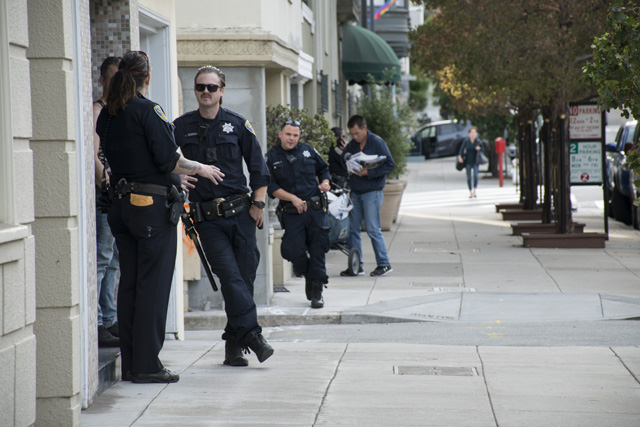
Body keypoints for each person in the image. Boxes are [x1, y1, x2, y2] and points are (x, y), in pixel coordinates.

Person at [97, 52, 224, 383]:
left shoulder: (108, 113)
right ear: (147, 78)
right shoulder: (147, 110)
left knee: (130, 285)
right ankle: (146, 366)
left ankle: (132, 363)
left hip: (121, 207)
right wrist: (201, 168)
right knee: (152, 286)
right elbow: (170, 161)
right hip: (150, 210)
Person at [173, 65, 274, 367]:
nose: (206, 92)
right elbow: (160, 157)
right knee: (230, 276)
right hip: (208, 220)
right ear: (195, 90)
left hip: (241, 213)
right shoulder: (180, 126)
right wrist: (174, 176)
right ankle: (253, 336)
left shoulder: (237, 124)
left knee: (243, 279)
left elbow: (259, 169)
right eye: (200, 87)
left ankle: (233, 346)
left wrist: (258, 204)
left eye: (212, 87)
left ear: (222, 91)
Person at [266, 120, 332, 309]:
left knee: (318, 248)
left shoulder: (308, 151)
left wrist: (325, 183)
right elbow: (271, 186)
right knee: (293, 251)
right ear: (280, 134)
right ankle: (309, 275)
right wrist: (292, 198)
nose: (291, 138)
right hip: (292, 213)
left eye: (295, 135)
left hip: (315, 210)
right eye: (288, 134)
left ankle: (317, 292)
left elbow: (324, 169)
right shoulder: (271, 157)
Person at [341, 115, 395, 277]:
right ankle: (357, 266)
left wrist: (368, 172)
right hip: (356, 191)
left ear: (364, 128)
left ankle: (384, 264)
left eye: (357, 133)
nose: (354, 136)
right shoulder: (352, 144)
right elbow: (345, 160)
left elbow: (390, 165)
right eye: (352, 134)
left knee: (372, 228)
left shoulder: (377, 142)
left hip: (372, 191)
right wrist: (345, 157)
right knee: (353, 230)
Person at [93, 56, 121, 348]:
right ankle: (99, 322)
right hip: (106, 196)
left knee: (114, 260)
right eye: (112, 79)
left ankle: (110, 318)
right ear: (102, 80)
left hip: (121, 196)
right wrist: (109, 185)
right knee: (103, 257)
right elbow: (94, 157)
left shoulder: (120, 112)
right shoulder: (97, 111)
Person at [457, 126, 484, 198]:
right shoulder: (466, 141)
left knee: (475, 175)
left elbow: (483, 150)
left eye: (474, 132)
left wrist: (479, 148)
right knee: (468, 177)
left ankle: (475, 190)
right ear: (469, 133)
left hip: (475, 161)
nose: (473, 134)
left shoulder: (478, 141)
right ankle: (470, 191)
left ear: (476, 133)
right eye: (471, 132)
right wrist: (460, 156)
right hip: (468, 161)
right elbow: (461, 149)